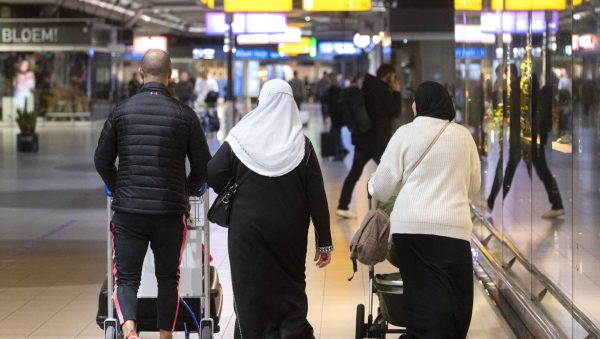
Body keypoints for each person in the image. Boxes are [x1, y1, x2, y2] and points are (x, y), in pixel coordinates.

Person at [94, 49, 211, 339]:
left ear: (141, 75)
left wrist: (120, 186)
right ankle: (165, 336)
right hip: (170, 213)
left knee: (127, 279)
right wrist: (183, 190)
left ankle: (130, 331)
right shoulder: (185, 115)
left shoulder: (121, 111)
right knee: (169, 279)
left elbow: (101, 160)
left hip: (129, 212)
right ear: (170, 77)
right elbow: (203, 166)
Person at [206, 79, 333, 339]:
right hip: (290, 232)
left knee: (250, 289)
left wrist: (237, 189)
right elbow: (317, 197)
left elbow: (213, 174)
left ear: (261, 102)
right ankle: (292, 331)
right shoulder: (302, 144)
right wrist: (324, 242)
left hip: (248, 230)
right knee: (291, 288)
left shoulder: (241, 138)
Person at [369, 81, 481, 339]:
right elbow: (474, 186)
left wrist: (372, 183)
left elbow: (383, 189)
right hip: (454, 233)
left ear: (417, 106)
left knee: (421, 297)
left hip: (410, 232)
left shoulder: (405, 133)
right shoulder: (463, 136)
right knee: (456, 299)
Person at [487, 68, 564, 219]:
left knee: (507, 169)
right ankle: (557, 204)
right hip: (531, 137)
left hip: (524, 139)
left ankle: (491, 203)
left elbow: (502, 111)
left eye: (500, 76)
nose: (499, 80)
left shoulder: (517, 89)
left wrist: (497, 92)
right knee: (540, 171)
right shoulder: (520, 88)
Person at [336, 64, 401, 219]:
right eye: (393, 77)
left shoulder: (367, 86)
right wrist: (396, 92)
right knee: (393, 173)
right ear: (389, 76)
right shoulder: (382, 90)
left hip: (363, 139)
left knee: (354, 173)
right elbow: (395, 111)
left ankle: (342, 205)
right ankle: (400, 207)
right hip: (376, 141)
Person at [325, 72, 347, 161]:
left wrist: (329, 115)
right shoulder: (338, 89)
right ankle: (342, 150)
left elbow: (332, 104)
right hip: (339, 115)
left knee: (336, 135)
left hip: (335, 116)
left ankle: (340, 153)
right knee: (336, 134)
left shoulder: (332, 90)